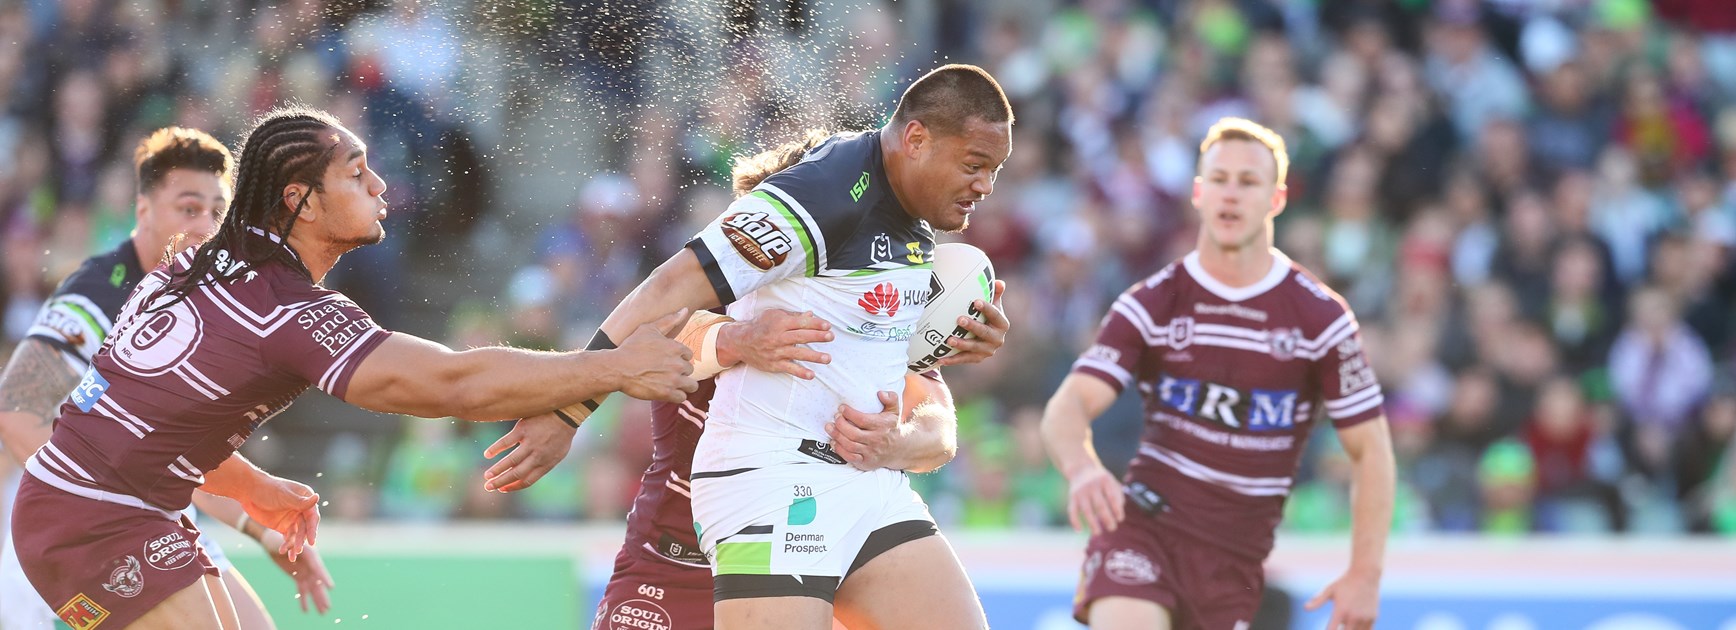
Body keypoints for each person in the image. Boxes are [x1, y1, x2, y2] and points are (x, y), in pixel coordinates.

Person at [7, 106, 697, 630]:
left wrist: (252, 485)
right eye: (356, 171)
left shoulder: (198, 268)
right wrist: (612, 368)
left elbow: (139, 421)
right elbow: (452, 383)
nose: (379, 183)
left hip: (107, 509)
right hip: (93, 521)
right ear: (300, 200)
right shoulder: (287, 312)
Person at [528, 64, 1013, 629]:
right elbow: (665, 300)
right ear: (916, 139)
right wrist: (566, 409)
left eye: (993, 170)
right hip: (747, 506)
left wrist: (946, 350)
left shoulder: (905, 221)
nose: (986, 187)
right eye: (975, 166)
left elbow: (934, 423)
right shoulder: (819, 202)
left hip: (859, 487)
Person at [1039, 117, 1394, 630]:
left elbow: (1371, 450)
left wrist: (1366, 573)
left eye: (1248, 182)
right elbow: (1068, 405)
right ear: (1198, 194)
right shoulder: (1153, 302)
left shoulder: (1320, 318)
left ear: (1276, 199)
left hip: (1235, 563)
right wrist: (1082, 469)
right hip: (1143, 529)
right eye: (1220, 180)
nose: (1231, 194)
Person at [0, 126, 331, 628]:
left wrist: (260, 529)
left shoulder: (203, 297)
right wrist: (97, 490)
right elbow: (14, 410)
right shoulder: (99, 292)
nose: (206, 225)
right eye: (188, 208)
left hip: (155, 517)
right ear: (143, 211)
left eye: (217, 211)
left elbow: (179, 457)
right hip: (78, 529)